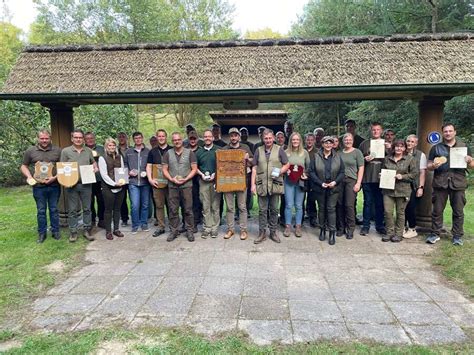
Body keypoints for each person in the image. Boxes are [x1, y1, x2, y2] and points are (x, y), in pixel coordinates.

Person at [426, 123, 474, 246]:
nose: (448, 133)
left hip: (458, 182)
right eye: (445, 131)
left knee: (458, 211)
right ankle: (435, 234)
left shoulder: (463, 147)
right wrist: (434, 165)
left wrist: (469, 161)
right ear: (443, 133)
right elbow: (428, 166)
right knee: (437, 210)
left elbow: (472, 165)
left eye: (450, 131)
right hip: (440, 182)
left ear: (455, 132)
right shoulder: (436, 148)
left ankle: (457, 236)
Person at [20, 129, 62, 243]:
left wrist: (54, 177)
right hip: (38, 187)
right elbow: (24, 166)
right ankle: (42, 233)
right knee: (41, 210)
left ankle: (55, 231)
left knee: (54, 209)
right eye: (42, 138)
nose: (44, 140)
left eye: (46, 138)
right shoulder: (30, 151)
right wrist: (29, 176)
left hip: (54, 185)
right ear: (38, 138)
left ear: (50, 138)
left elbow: (64, 167)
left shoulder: (58, 150)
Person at [251, 129, 289, 244]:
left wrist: (279, 172)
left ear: (273, 138)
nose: (268, 140)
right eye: (265, 138)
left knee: (274, 209)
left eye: (270, 138)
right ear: (263, 139)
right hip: (262, 184)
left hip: (275, 184)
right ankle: (262, 233)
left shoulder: (279, 150)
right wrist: (252, 184)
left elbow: (287, 164)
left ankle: (273, 232)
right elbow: (254, 168)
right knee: (262, 210)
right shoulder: (258, 150)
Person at [60, 129, 97, 242]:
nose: (78, 139)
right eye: (76, 137)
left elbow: (93, 162)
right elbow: (62, 167)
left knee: (87, 208)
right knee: (72, 210)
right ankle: (73, 232)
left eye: (80, 137)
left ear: (83, 139)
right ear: (72, 139)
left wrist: (95, 167)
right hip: (72, 185)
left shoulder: (88, 151)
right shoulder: (66, 151)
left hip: (86, 184)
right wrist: (67, 181)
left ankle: (87, 230)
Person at [162, 132, 198, 242]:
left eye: (178, 139)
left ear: (182, 140)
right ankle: (174, 231)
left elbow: (194, 169)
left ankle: (190, 231)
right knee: (173, 209)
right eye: (174, 140)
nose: (177, 141)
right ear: (172, 141)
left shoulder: (190, 153)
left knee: (188, 209)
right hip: (172, 186)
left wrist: (186, 179)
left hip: (186, 185)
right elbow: (164, 169)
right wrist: (171, 179)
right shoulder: (168, 153)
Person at [309, 136, 344, 245]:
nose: (328, 145)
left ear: (333, 144)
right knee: (322, 209)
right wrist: (320, 183)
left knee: (331, 209)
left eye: (330, 143)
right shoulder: (316, 156)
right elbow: (311, 172)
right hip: (320, 187)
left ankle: (332, 232)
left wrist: (335, 182)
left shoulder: (338, 156)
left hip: (333, 187)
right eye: (326, 143)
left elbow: (342, 172)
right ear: (322, 144)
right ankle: (322, 230)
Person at [381, 139, 416, 242]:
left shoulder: (410, 159)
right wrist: (381, 175)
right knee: (388, 212)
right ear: (393, 147)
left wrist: (403, 176)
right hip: (388, 190)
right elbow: (383, 170)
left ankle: (399, 234)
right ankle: (389, 233)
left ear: (405, 148)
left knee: (400, 213)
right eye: (397, 146)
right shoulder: (387, 158)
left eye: (401, 146)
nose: (399, 148)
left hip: (403, 190)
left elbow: (414, 174)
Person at [222, 127, 253, 240]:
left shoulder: (245, 148)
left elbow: (253, 162)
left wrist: (247, 159)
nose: (233, 137)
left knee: (242, 207)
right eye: (231, 135)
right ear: (229, 137)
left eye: (235, 135)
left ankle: (243, 230)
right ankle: (230, 229)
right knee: (230, 207)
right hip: (228, 182)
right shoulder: (224, 149)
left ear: (239, 137)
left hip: (241, 181)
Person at [359, 122, 386, 236]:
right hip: (367, 178)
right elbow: (358, 160)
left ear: (381, 131)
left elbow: (394, 158)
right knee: (367, 203)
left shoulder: (386, 144)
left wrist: (389, 149)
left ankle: (380, 226)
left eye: (378, 130)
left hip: (381, 178)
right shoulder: (364, 144)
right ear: (371, 131)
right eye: (373, 130)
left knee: (380, 203)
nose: (375, 132)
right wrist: (365, 159)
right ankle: (365, 226)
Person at [337, 133, 364, 239]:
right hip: (340, 181)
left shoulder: (357, 152)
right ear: (343, 141)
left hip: (351, 180)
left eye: (349, 139)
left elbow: (361, 168)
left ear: (352, 141)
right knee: (340, 204)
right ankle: (341, 227)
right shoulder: (339, 153)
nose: (347, 141)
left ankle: (350, 228)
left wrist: (358, 183)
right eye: (346, 140)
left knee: (349, 205)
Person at [98, 138, 126, 240]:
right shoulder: (102, 158)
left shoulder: (120, 157)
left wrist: (122, 182)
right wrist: (114, 184)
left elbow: (122, 170)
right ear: (106, 147)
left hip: (120, 187)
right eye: (110, 145)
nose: (112, 147)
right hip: (108, 187)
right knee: (108, 210)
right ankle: (108, 231)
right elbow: (104, 175)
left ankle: (116, 229)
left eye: (113, 145)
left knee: (117, 209)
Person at [283, 132, 310, 238]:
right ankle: (288, 226)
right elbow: (282, 165)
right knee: (289, 205)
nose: (295, 141)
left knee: (299, 205)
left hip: (300, 182)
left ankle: (298, 226)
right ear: (290, 141)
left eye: (297, 140)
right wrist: (286, 172)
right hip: (288, 182)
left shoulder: (304, 153)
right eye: (293, 140)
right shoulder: (285, 152)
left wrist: (305, 174)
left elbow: (309, 167)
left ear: (300, 141)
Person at [146, 129, 172, 238]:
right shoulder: (152, 151)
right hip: (157, 183)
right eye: (159, 136)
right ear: (157, 138)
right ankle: (161, 226)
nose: (161, 138)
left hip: (170, 183)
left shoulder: (172, 150)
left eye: (163, 136)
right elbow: (149, 166)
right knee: (159, 205)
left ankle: (173, 227)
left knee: (172, 205)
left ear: (166, 137)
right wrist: (150, 179)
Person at [196, 129, 221, 238]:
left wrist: (215, 174)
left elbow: (222, 166)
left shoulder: (218, 150)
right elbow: (194, 167)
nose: (207, 138)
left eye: (209, 136)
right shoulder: (199, 152)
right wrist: (201, 174)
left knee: (215, 206)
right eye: (205, 136)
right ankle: (207, 227)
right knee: (205, 206)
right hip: (203, 182)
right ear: (203, 138)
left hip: (216, 181)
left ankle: (215, 228)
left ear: (213, 138)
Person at [124, 131, 150, 234]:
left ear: (142, 138)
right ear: (133, 140)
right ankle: (135, 225)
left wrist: (148, 173)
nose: (138, 140)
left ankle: (144, 224)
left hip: (145, 182)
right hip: (133, 182)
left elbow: (151, 165)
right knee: (135, 205)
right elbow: (125, 164)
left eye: (139, 138)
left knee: (145, 204)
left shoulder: (148, 151)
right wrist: (128, 171)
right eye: (136, 138)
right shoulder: (129, 151)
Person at [403, 134, 427, 239]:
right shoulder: (401, 152)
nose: (409, 143)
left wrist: (421, 187)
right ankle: (402, 227)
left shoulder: (421, 155)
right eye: (408, 141)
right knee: (401, 207)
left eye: (412, 142)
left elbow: (422, 172)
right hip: (400, 185)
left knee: (410, 207)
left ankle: (412, 228)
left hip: (413, 185)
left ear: (416, 143)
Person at [84, 131, 105, 229]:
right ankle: (92, 220)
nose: (90, 140)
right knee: (89, 201)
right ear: (85, 140)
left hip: (100, 179)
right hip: (87, 179)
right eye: (87, 138)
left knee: (101, 200)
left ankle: (101, 220)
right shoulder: (82, 149)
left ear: (94, 138)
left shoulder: (101, 149)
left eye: (91, 138)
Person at [186, 130, 203, 231]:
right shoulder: (185, 151)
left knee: (197, 201)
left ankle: (196, 222)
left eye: (194, 139)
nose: (192, 140)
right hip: (187, 179)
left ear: (197, 139)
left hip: (198, 179)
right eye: (191, 139)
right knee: (187, 202)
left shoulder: (200, 150)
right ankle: (187, 222)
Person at [304, 133, 318, 227]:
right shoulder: (301, 151)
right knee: (301, 199)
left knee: (312, 198)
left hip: (313, 178)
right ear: (305, 141)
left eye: (311, 140)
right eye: (308, 140)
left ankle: (312, 217)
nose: (309, 141)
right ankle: (300, 218)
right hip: (301, 177)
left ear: (314, 141)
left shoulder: (317, 152)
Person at [240, 127, 254, 213]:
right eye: (242, 133)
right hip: (238, 171)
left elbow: (253, 158)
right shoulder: (238, 144)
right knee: (238, 191)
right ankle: (238, 210)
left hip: (249, 171)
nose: (244, 135)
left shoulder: (251, 145)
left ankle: (247, 209)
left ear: (248, 134)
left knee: (248, 192)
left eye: (245, 133)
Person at [117, 132, 130, 226]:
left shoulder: (132, 149)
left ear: (127, 138)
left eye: (123, 137)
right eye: (120, 137)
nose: (122, 138)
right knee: (122, 198)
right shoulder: (115, 150)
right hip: (120, 176)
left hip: (132, 176)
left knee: (134, 199)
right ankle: (124, 219)